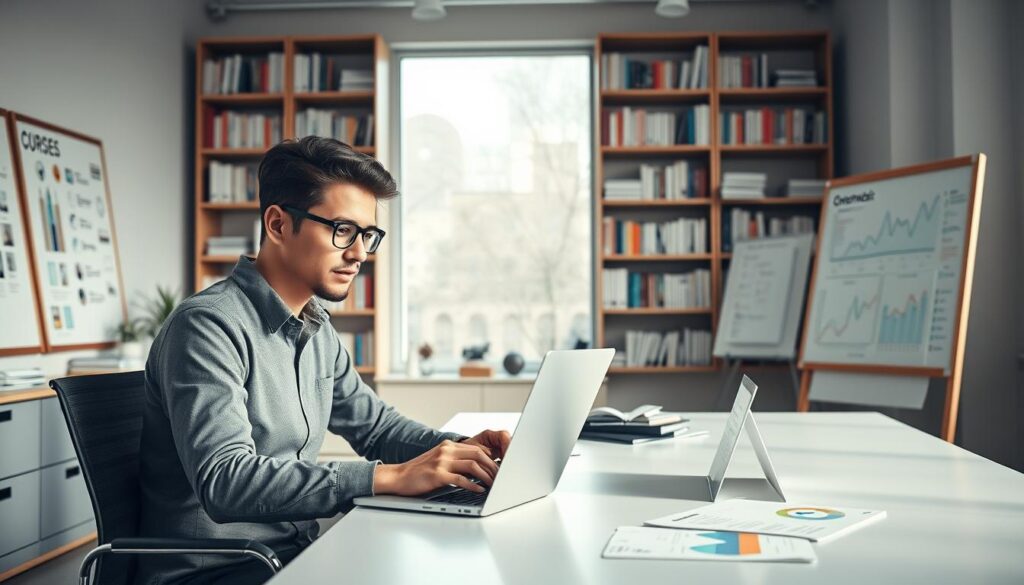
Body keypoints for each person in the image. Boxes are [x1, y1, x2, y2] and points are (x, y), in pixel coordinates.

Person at [136, 137, 511, 585]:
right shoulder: (207, 327)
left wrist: (464, 450)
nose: (358, 254)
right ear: (278, 224)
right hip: (218, 571)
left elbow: (378, 429)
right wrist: (386, 477)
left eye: (367, 236)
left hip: (294, 555)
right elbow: (226, 480)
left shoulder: (317, 329)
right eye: (342, 230)